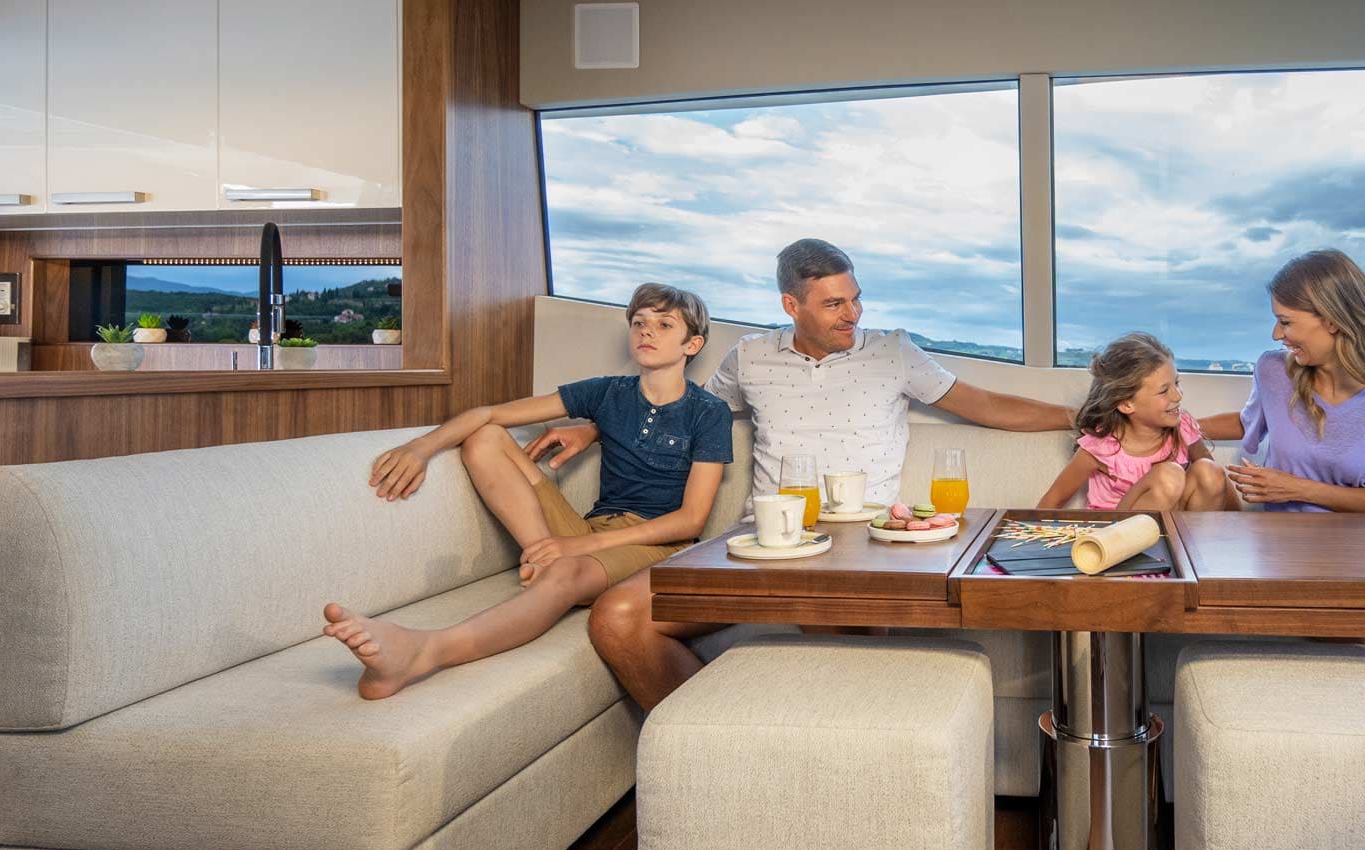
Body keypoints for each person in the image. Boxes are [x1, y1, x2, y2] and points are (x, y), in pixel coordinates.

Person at [586, 238, 1075, 710]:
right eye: (834, 303)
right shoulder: (751, 356)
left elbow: (985, 404)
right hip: (764, 542)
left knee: (849, 640)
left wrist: (1083, 416)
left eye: (856, 299)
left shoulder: (892, 351)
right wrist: (592, 430)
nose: (853, 314)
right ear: (791, 305)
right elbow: (686, 412)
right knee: (617, 618)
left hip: (862, 544)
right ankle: (725, 748)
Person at [320, 283, 731, 699]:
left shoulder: (708, 412)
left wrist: (577, 549)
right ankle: (543, 557)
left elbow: (690, 520)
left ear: (691, 344)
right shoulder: (607, 392)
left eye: (664, 325)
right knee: (485, 437)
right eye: (639, 323)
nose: (647, 332)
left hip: (655, 544)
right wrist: (422, 447)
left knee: (569, 567)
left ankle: (424, 651)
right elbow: (490, 413)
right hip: (587, 529)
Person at [1191, 248, 1365, 659]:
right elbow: (1249, 424)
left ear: (1332, 320)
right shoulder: (1273, 371)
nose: (1277, 335)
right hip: (1292, 553)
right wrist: (1169, 421)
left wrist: (1296, 488)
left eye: (1286, 321)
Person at [1037, 331, 1235, 511]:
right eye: (1164, 390)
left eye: (1176, 383)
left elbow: (1218, 483)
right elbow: (1052, 500)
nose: (1178, 395)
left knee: (1209, 471)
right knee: (1169, 476)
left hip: (1173, 533)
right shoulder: (1101, 445)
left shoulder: (1183, 428)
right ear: (1126, 404)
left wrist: (1245, 529)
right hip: (1117, 535)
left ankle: (1190, 550)